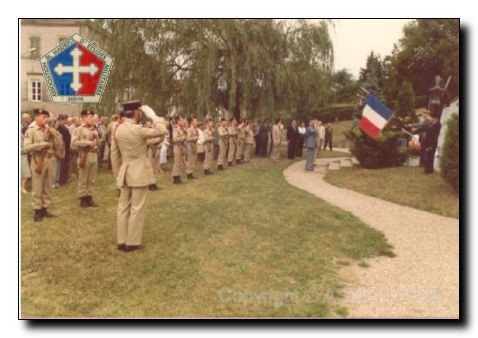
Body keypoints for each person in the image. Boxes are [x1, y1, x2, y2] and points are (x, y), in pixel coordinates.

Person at [111, 101, 167, 252]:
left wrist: (118, 176)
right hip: (139, 172)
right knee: (137, 207)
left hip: (124, 171)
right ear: (136, 113)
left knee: (123, 207)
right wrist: (153, 115)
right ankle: (133, 241)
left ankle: (121, 240)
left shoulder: (117, 129)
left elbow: (114, 155)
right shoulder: (138, 129)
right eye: (140, 112)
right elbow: (162, 130)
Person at [23, 109, 62, 222]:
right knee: (37, 186)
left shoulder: (49, 130)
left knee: (47, 186)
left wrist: (55, 135)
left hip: (50, 160)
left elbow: (58, 145)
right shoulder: (31, 131)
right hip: (38, 161)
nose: (46, 119)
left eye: (46, 117)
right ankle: (37, 210)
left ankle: (45, 208)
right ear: (36, 117)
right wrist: (42, 144)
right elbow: (26, 147)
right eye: (43, 117)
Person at [72, 110, 100, 208]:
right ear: (83, 118)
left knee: (91, 178)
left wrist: (97, 137)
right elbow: (74, 143)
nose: (91, 119)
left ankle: (89, 196)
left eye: (92, 116)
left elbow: (99, 142)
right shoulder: (79, 129)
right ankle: (83, 198)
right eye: (89, 117)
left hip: (93, 155)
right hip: (84, 155)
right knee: (83, 178)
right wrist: (88, 143)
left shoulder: (94, 129)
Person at [171, 116, 187, 184]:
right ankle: (175, 178)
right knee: (177, 162)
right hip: (177, 146)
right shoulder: (175, 129)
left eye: (183, 120)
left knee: (180, 162)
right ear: (177, 121)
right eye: (181, 120)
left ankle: (178, 176)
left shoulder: (182, 129)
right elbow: (175, 139)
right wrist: (183, 137)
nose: (182, 121)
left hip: (182, 146)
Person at [57, 114, 71, 185]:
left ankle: (64, 178)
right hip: (63, 148)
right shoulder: (58, 127)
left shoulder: (64, 127)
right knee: (62, 165)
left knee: (66, 164)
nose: (66, 121)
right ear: (61, 119)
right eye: (65, 120)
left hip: (67, 147)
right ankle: (61, 180)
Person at [21, 113, 32, 194]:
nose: (30, 119)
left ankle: (23, 186)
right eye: (29, 118)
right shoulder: (22, 127)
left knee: (26, 171)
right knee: (23, 171)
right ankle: (22, 187)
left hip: (27, 151)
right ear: (24, 119)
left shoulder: (28, 127)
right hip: (22, 152)